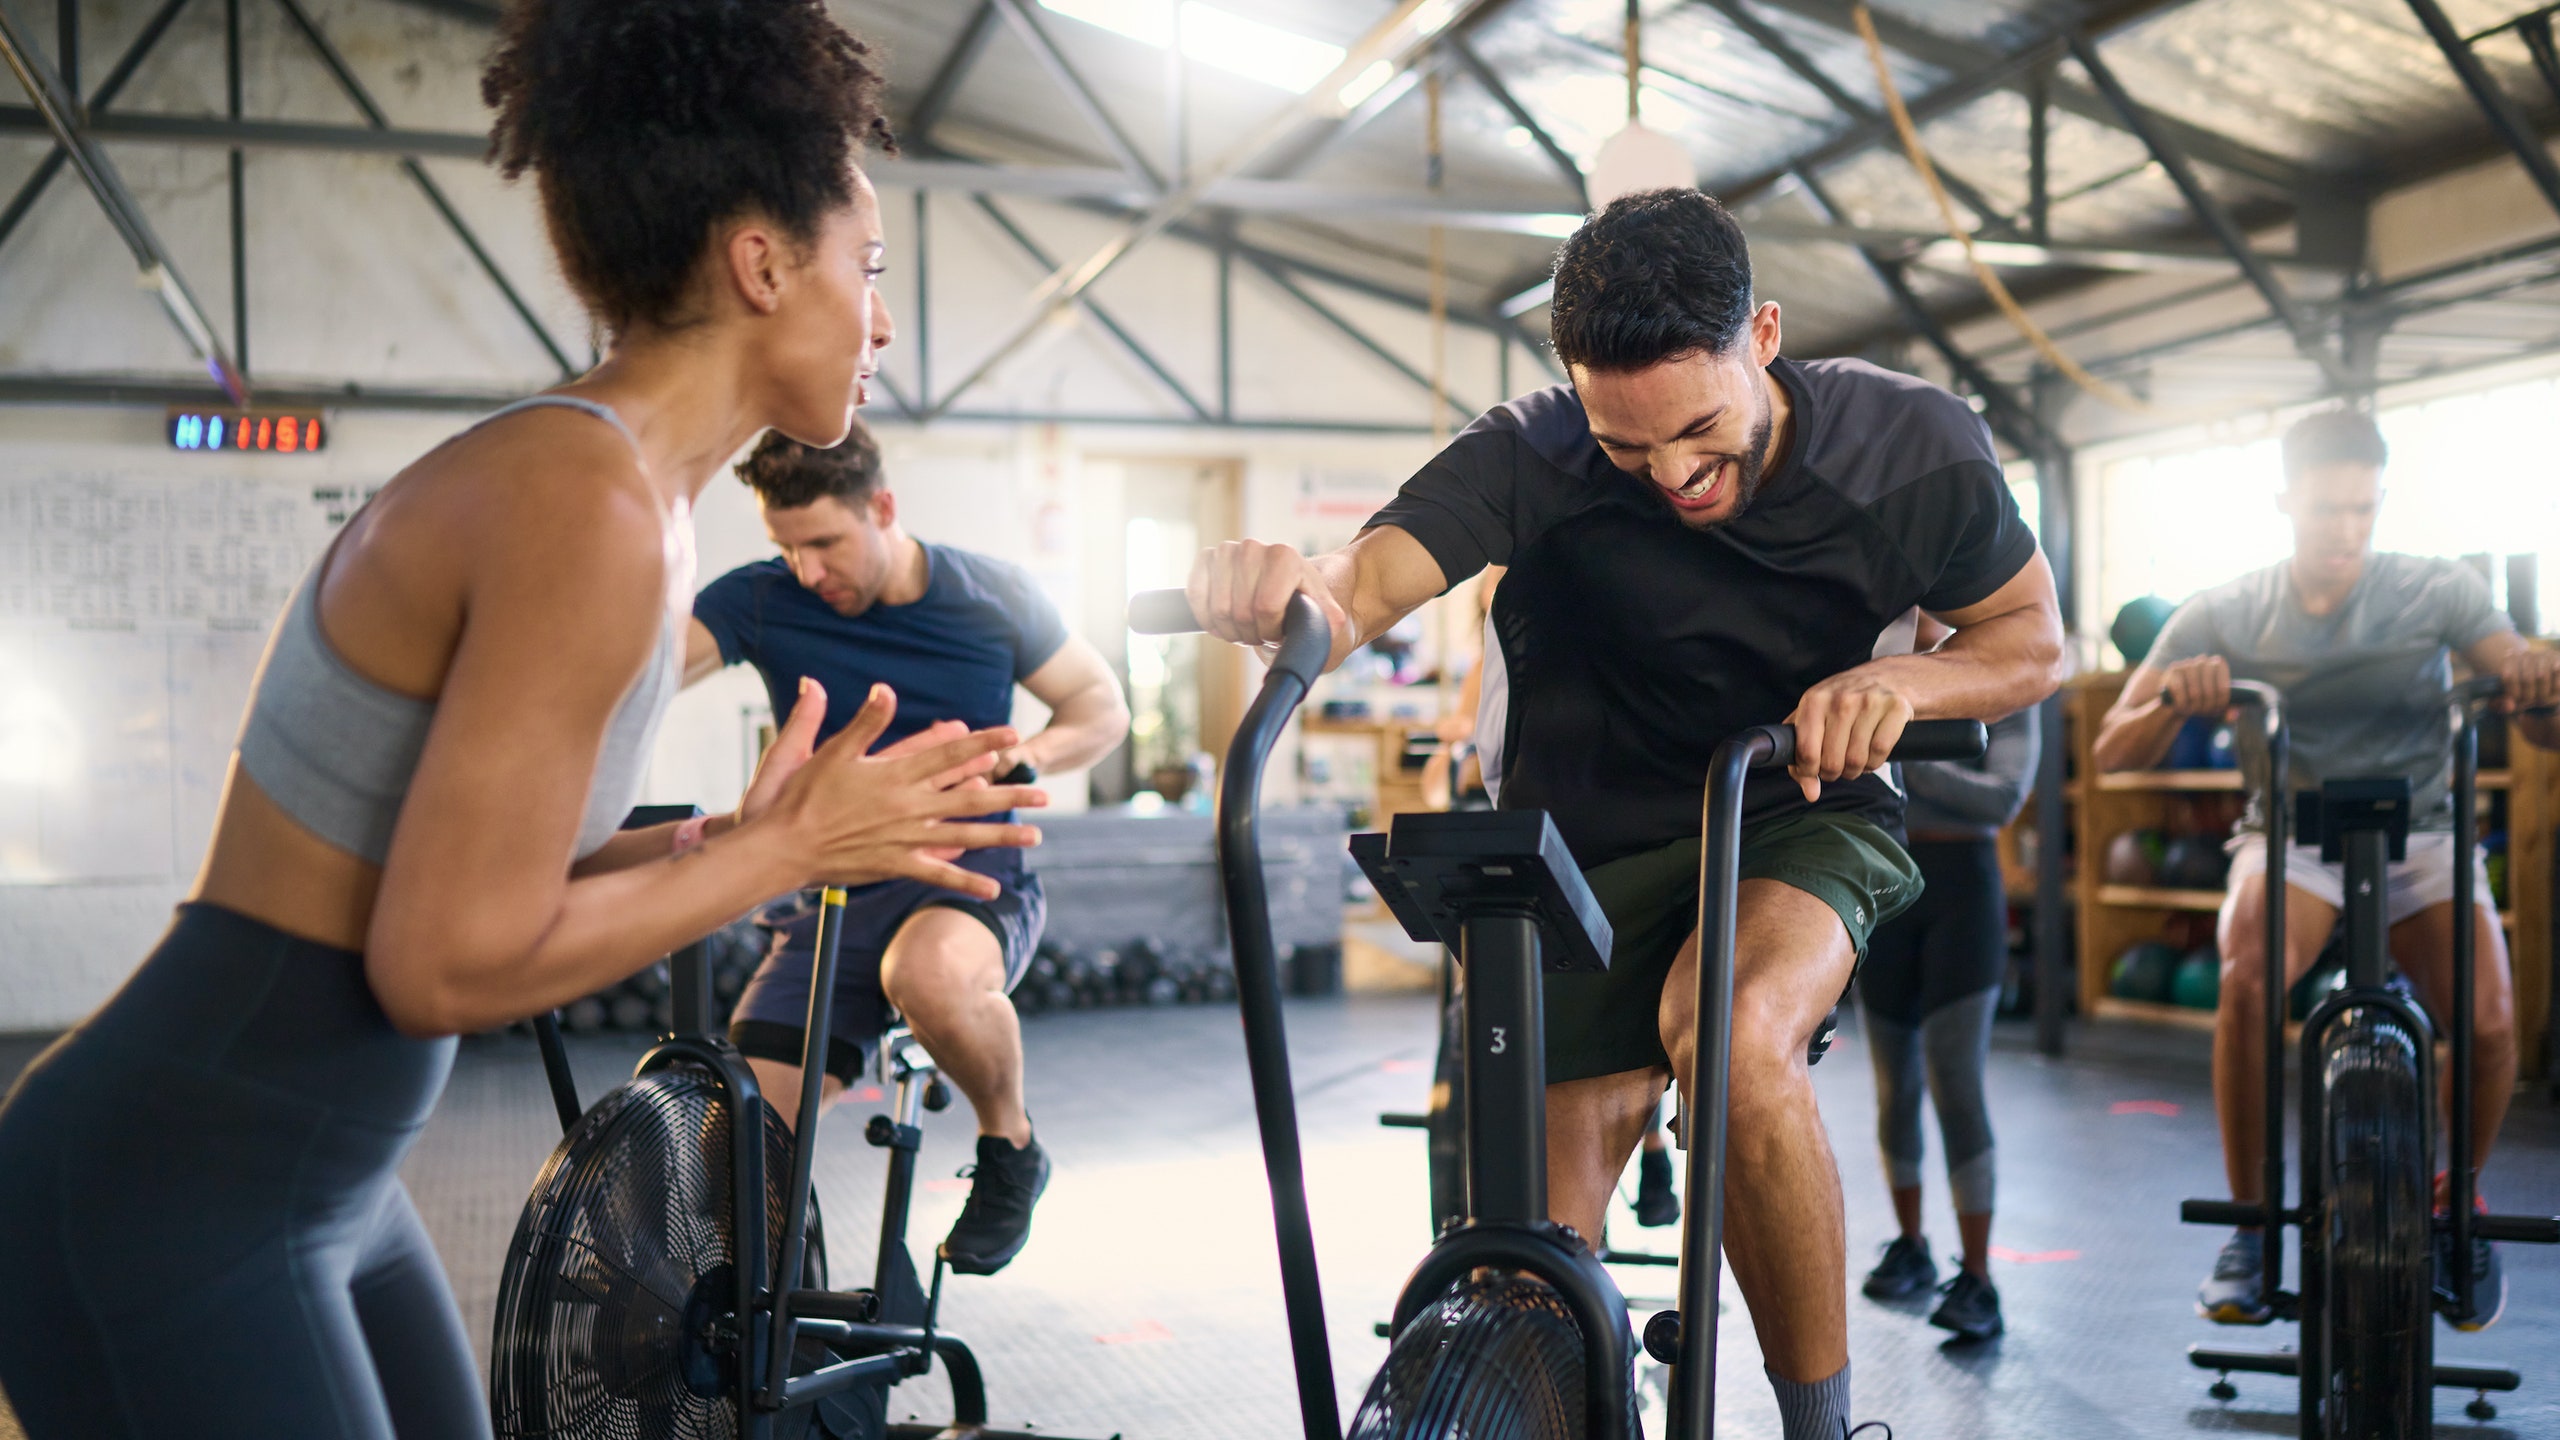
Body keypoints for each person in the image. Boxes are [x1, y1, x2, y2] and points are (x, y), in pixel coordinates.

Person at [0, 5, 1045, 1436]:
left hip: (318, 1177)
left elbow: (490, 877)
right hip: (179, 1180)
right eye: (864, 269)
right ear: (758, 262)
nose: (880, 319)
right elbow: (442, 964)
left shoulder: (635, 503)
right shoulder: (586, 505)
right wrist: (778, 854)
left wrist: (736, 837)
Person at [1191, 188, 2065, 1440]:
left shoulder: (1908, 446)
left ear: (1762, 336)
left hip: (1789, 806)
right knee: (1524, 1270)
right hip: (1574, 851)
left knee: (1730, 1030)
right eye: (1627, 449)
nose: (1673, 477)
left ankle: (1823, 1429)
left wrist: (1904, 679)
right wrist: (1285, 586)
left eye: (1700, 432)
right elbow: (1357, 585)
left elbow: (2030, 640)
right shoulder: (1529, 452)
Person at [2093, 407, 2560, 1333]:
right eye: (2327, 510)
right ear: (2285, 503)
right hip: (2294, 838)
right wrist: (2181, 698)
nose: (2347, 529)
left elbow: (2526, 699)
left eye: (2363, 508)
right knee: (2246, 977)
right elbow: (2114, 748)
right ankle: (2254, 1229)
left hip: (2422, 832)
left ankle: (2455, 1205)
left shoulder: (2440, 591)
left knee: (2494, 1019)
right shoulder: (2227, 607)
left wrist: (2536, 681)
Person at [684, 424, 1128, 1275]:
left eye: (825, 543)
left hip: (965, 872)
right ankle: (786, 1327)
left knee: (922, 975)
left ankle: (1010, 1147)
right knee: (737, 1149)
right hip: (837, 886)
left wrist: (1027, 755)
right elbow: (644, 670)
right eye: (788, 548)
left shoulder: (993, 594)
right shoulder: (764, 599)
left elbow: (1100, 705)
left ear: (882, 509)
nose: (811, 571)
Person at [1853, 614, 2040, 1343]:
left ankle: (1980, 1277)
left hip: (1965, 891)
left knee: (1954, 1078)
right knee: (1893, 1084)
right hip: (1890, 888)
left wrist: (1899, 755)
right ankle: (1911, 1246)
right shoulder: (1883, 663)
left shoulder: (2009, 679)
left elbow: (1998, 799)